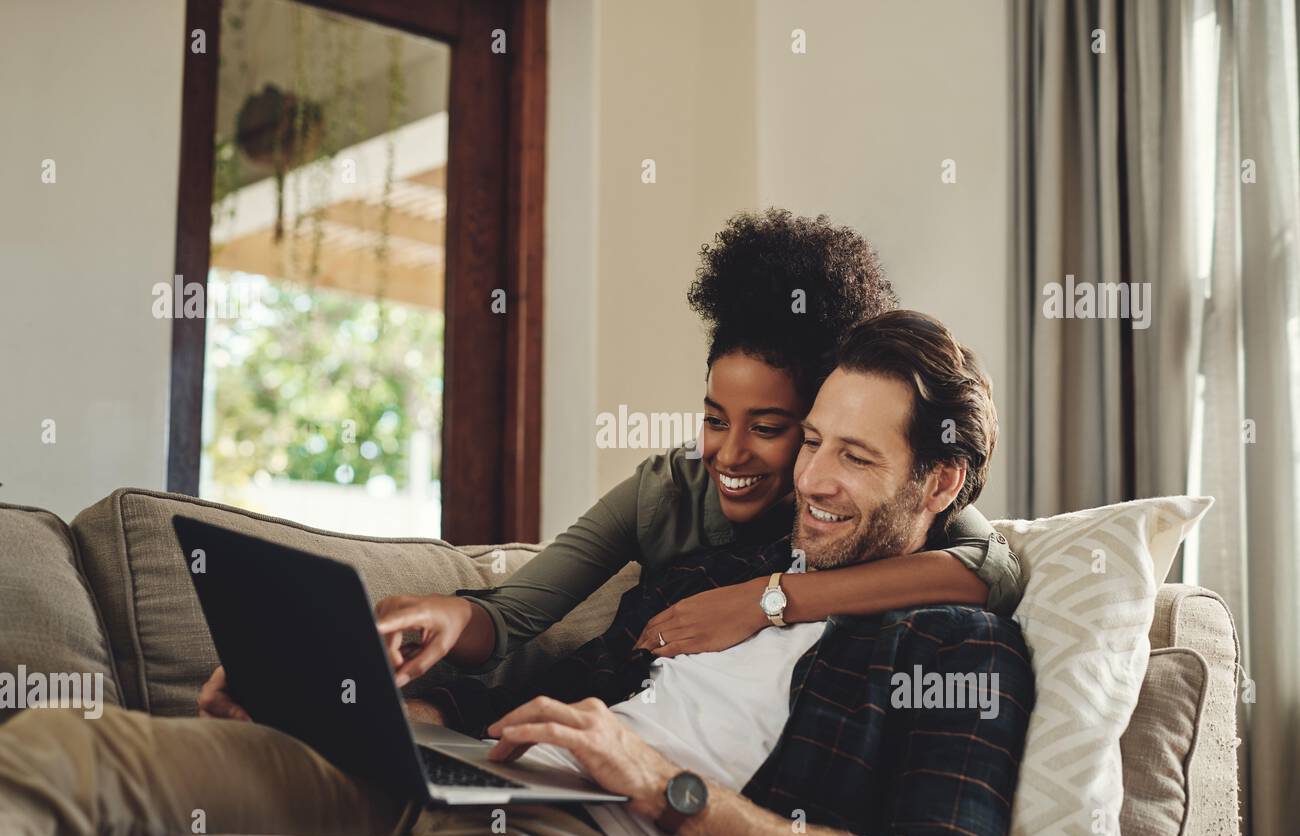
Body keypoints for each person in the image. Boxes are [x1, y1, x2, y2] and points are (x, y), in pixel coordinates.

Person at [0, 311, 1033, 836]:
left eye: (852, 457)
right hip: (465, 783)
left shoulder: (955, 651)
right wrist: (347, 705)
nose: (806, 478)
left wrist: (659, 783)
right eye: (810, 440)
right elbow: (530, 675)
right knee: (61, 748)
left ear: (937, 481)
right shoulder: (713, 566)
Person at [198, 209, 1021, 722]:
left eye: (776, 429)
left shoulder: (869, 509)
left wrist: (764, 600)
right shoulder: (670, 494)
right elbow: (517, 615)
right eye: (712, 419)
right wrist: (449, 617)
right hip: (584, 695)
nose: (732, 455)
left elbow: (990, 567)